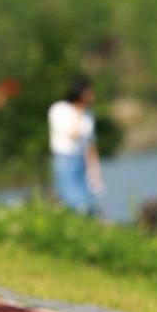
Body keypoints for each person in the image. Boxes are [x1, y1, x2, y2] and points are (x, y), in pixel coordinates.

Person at [47, 77, 104, 214]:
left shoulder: (89, 114)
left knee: (86, 200)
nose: (92, 96)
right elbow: (72, 134)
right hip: (64, 159)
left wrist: (95, 173)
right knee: (75, 201)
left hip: (81, 159)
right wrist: (78, 114)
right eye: (89, 92)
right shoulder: (59, 109)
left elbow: (91, 144)